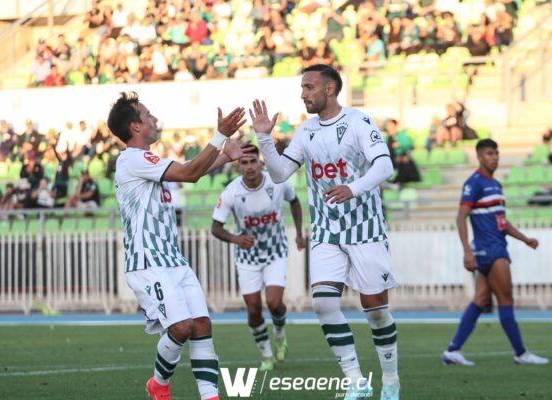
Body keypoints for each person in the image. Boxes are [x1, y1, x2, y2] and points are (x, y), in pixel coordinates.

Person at [250, 64, 401, 400]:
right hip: (326, 231)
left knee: (375, 311)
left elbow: (385, 165)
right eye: (302, 88)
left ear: (329, 89)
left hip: (365, 228)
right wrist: (264, 138)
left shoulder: (358, 122)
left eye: (309, 87)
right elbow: (278, 174)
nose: (303, 94)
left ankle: (390, 381)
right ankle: (356, 381)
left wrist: (354, 188)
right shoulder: (306, 131)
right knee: (323, 304)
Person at [107, 91, 251, 400]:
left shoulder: (149, 161)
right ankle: (158, 383)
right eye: (147, 115)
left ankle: (210, 396)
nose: (154, 119)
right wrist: (220, 136)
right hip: (147, 263)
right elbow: (190, 173)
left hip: (172, 259)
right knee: (182, 326)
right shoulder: (133, 159)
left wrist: (225, 156)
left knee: (200, 324)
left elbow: (189, 170)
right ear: (134, 126)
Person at [441, 139, 549, 366]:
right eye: (490, 153)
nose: (495, 157)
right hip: (491, 249)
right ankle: (520, 353)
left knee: (480, 299)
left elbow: (502, 222)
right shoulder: (475, 183)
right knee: (506, 299)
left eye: (497, 153)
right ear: (480, 157)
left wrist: (525, 239)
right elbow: (461, 217)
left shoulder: (496, 185)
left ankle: (452, 351)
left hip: (491, 247)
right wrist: (466, 251)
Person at [210, 147, 304, 371]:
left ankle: (280, 333)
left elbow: (295, 201)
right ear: (237, 166)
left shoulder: (278, 182)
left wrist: (299, 233)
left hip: (275, 251)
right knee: (253, 308)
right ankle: (266, 354)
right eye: (244, 162)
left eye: (253, 161)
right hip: (247, 257)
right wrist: (236, 238)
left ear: (261, 163)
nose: (249, 166)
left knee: (273, 303)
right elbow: (215, 227)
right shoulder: (230, 193)